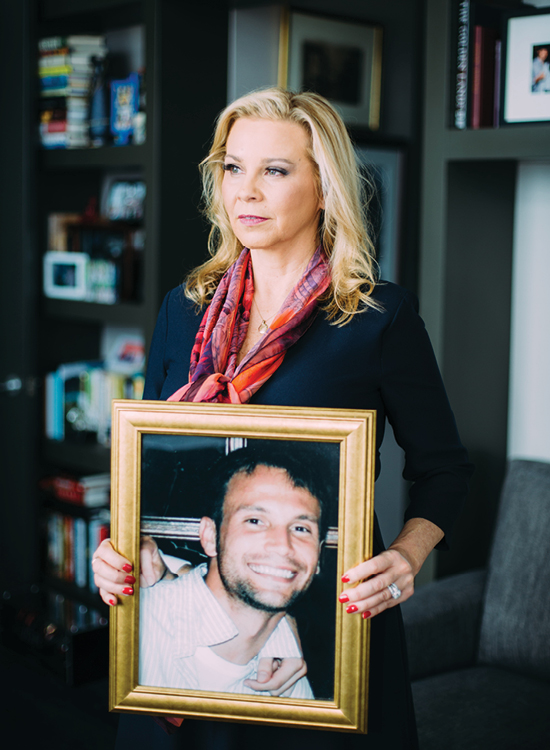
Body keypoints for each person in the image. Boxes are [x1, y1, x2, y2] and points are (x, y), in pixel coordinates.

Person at [92, 87, 473, 749]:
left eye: (275, 170)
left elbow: (445, 471)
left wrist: (406, 557)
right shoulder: (183, 307)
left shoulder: (377, 318)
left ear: (324, 188)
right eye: (234, 167)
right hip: (179, 637)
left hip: (330, 618)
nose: (248, 191)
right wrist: (116, 550)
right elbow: (145, 461)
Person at [139, 447, 329, 699]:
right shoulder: (138, 623)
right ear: (210, 536)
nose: (283, 545)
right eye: (255, 521)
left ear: (318, 556)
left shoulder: (292, 683)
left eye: (301, 528)